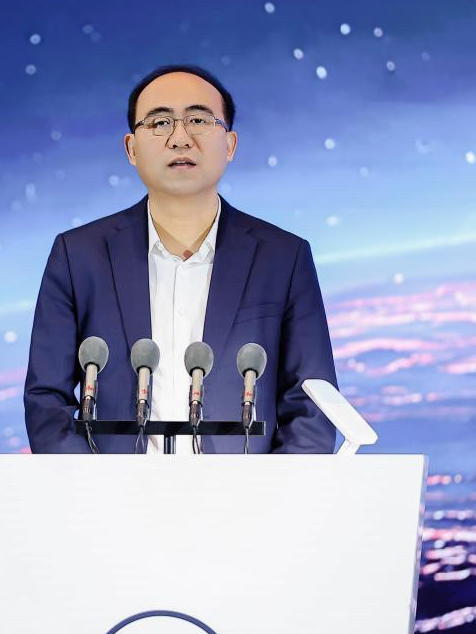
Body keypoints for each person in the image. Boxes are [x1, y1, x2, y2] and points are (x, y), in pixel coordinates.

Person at [23, 64, 338, 454]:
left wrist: (267, 493)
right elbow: (46, 403)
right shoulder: (79, 257)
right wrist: (95, 489)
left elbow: (312, 406)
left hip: (243, 491)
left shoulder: (283, 258)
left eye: (198, 120)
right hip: (112, 490)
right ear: (131, 149)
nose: (180, 138)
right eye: (160, 123)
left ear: (230, 144)